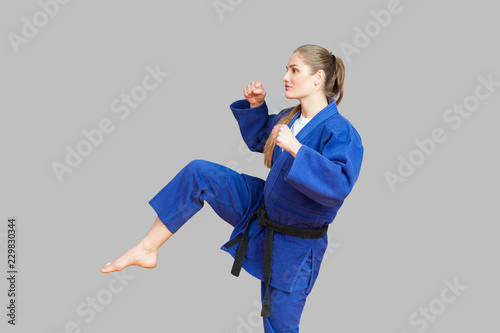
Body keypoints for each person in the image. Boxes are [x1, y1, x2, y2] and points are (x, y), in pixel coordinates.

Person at [101, 44, 364, 332]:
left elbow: (338, 184)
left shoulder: (340, 131)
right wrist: (256, 107)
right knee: (199, 173)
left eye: (294, 70)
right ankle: (147, 248)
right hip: (262, 207)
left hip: (297, 243)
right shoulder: (292, 117)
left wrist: (297, 149)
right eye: (287, 69)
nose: (285, 76)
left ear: (317, 78)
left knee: (278, 326)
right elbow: (262, 139)